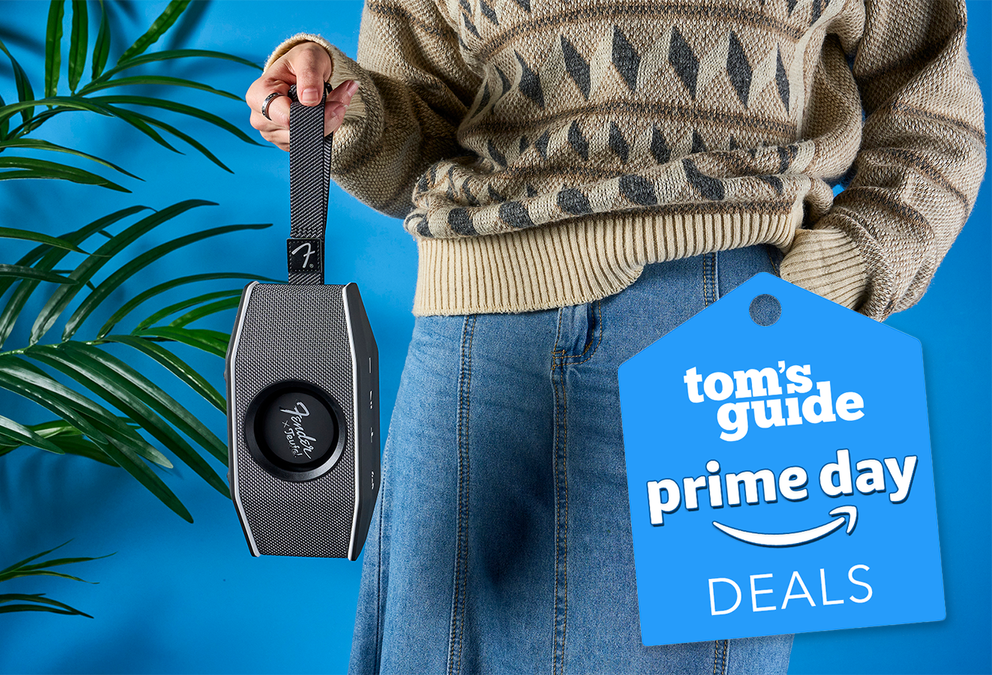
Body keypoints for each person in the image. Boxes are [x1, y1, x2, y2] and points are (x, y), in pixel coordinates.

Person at [246, 0, 985, 672]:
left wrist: (859, 258)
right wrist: (341, 115)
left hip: (733, 339)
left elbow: (935, 109)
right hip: (480, 336)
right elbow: (423, 127)